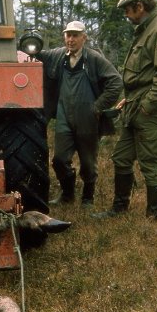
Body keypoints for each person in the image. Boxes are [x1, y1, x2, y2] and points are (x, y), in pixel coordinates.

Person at [93, 0, 157, 219]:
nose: (126, 16)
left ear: (139, 6)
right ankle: (119, 209)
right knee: (121, 157)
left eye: (128, 10)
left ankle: (153, 219)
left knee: (151, 164)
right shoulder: (146, 30)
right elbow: (142, 76)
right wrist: (129, 101)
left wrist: (146, 107)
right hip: (134, 105)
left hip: (148, 111)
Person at [34, 21, 122, 207]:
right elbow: (36, 53)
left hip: (87, 118)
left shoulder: (94, 58)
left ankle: (88, 199)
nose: (71, 39)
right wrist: (28, 42)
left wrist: (98, 106)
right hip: (64, 116)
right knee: (59, 160)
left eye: (75, 35)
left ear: (84, 37)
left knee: (88, 162)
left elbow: (116, 82)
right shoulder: (58, 55)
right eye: (68, 35)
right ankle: (67, 194)